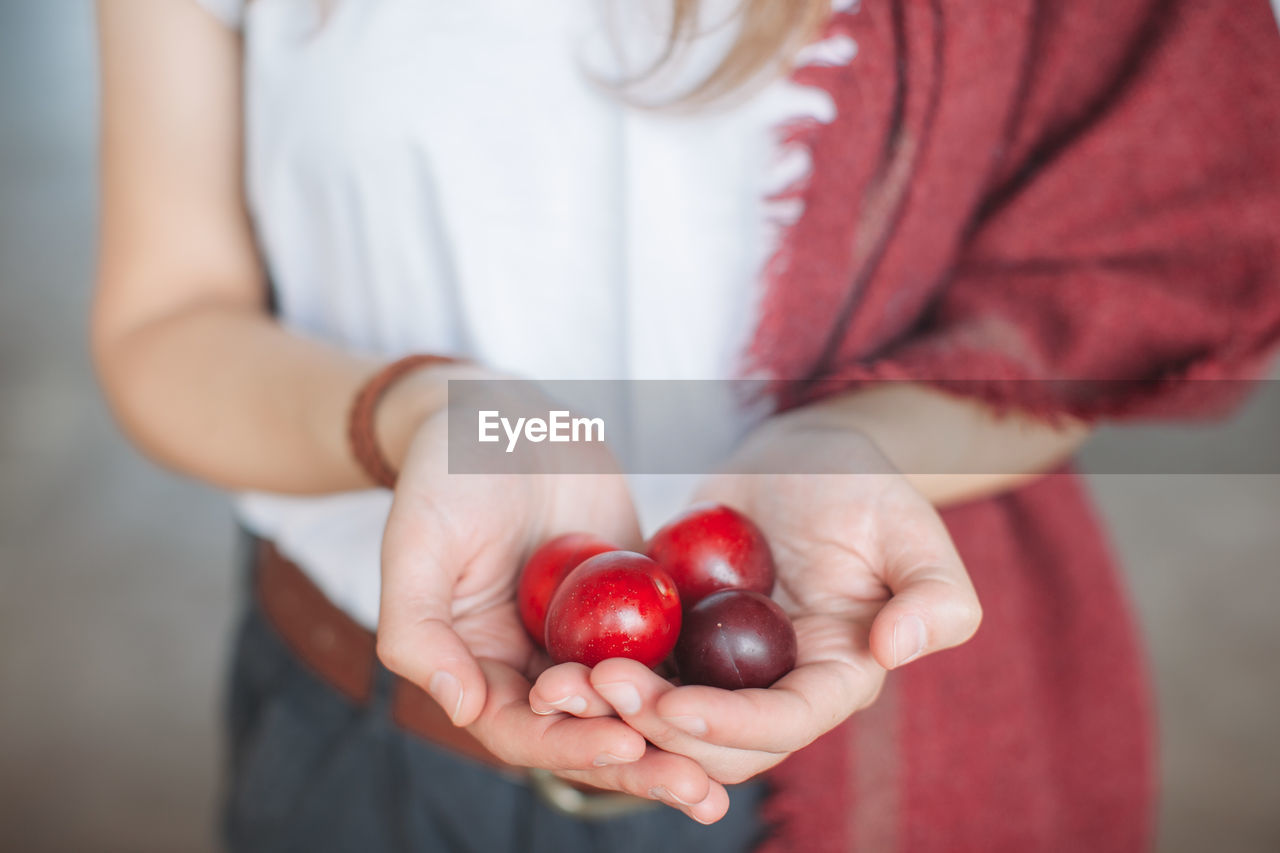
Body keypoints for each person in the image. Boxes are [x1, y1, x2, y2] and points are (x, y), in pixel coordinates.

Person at [92, 0, 1280, 851]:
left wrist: (847, 442)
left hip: (864, 741)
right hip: (364, 722)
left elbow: (1095, 298)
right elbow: (166, 319)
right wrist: (432, 416)